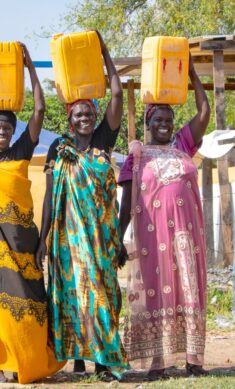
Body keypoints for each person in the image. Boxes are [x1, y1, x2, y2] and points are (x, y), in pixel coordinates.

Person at [36, 31, 128, 379]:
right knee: (74, 296)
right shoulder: (59, 150)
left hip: (102, 240)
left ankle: (104, 361)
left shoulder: (103, 143)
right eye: (79, 114)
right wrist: (44, 238)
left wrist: (105, 54)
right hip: (68, 242)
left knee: (104, 296)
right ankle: (81, 357)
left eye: (90, 112)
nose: (86, 118)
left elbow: (117, 94)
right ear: (70, 120)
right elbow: (49, 196)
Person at [118, 54, 210, 380]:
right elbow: (127, 201)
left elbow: (204, 112)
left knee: (189, 290)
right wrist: (118, 238)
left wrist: (192, 72)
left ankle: (194, 361)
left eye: (168, 119)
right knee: (155, 293)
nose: (164, 124)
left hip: (187, 238)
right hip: (152, 238)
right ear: (148, 123)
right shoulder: (136, 155)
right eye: (157, 119)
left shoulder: (183, 144)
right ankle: (157, 364)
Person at [0, 44, 64, 384]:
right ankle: (4, 362)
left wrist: (28, 67)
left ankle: (25, 360)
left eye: (6, 130)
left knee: (27, 302)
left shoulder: (20, 152)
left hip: (22, 243)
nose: (1, 133)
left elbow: (38, 110)